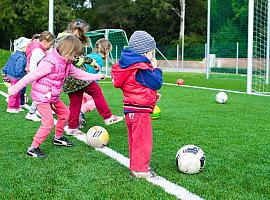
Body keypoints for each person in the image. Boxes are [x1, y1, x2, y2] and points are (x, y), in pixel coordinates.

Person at [8, 35, 105, 158]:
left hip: (52, 96)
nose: (77, 58)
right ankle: (33, 148)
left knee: (65, 114)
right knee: (48, 123)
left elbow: (78, 73)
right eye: (75, 55)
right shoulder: (49, 63)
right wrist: (15, 89)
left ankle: (58, 138)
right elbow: (31, 76)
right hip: (42, 96)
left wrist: (96, 76)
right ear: (68, 51)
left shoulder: (66, 62)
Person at [111, 31, 163, 179]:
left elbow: (137, 86)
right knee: (142, 140)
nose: (152, 56)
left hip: (131, 109)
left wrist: (152, 96)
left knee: (135, 140)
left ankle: (137, 165)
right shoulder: (140, 67)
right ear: (145, 52)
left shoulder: (129, 66)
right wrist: (156, 68)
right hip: (140, 111)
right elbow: (156, 82)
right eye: (152, 53)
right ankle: (140, 170)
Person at [61, 20, 123, 135]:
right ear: (81, 31)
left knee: (75, 103)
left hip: (68, 80)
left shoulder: (64, 40)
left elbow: (80, 57)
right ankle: (108, 117)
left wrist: (91, 62)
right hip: (80, 77)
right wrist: (86, 63)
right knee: (97, 92)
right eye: (85, 31)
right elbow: (77, 58)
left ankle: (72, 128)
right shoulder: (74, 42)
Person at [78, 38, 113, 128]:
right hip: (86, 83)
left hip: (78, 82)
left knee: (82, 100)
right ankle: (80, 113)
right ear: (106, 50)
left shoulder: (91, 55)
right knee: (95, 100)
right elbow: (89, 72)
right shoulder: (99, 60)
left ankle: (73, 116)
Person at [25, 31, 54, 122]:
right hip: (37, 75)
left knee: (42, 93)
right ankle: (31, 113)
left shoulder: (36, 46)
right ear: (45, 42)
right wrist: (35, 75)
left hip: (36, 74)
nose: (50, 47)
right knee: (41, 94)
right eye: (50, 44)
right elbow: (34, 64)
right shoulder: (38, 51)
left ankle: (38, 110)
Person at [2, 37, 30, 113]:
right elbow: (19, 69)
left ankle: (16, 106)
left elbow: (7, 64)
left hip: (10, 76)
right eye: (28, 46)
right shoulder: (22, 57)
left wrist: (4, 71)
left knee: (16, 92)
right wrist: (23, 77)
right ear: (23, 47)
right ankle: (11, 107)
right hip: (16, 78)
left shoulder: (14, 54)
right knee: (15, 93)